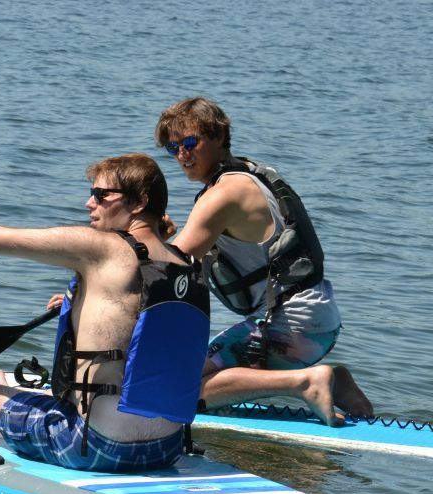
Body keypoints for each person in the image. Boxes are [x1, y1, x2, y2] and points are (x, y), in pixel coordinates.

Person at [0, 154, 211, 472]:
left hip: (95, 448)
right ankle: (7, 390)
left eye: (102, 195)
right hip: (166, 448)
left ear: (140, 201)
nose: (90, 203)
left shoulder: (104, 248)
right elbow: (144, 330)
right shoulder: (187, 264)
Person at [154, 97, 372, 426]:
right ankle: (334, 380)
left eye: (190, 143)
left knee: (179, 388)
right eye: (173, 148)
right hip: (316, 319)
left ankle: (305, 381)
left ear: (219, 136)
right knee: (192, 369)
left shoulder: (224, 193)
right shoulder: (247, 173)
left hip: (290, 326)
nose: (182, 155)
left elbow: (169, 265)